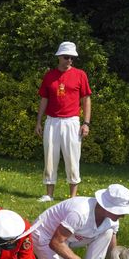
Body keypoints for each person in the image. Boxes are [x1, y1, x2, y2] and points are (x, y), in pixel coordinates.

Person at [31, 183, 129, 259]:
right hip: (45, 236)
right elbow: (56, 243)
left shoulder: (112, 220)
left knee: (107, 232)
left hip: (69, 238)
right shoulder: (80, 213)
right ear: (107, 207)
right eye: (120, 211)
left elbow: (112, 249)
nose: (123, 215)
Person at [34, 41, 92, 202]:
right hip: (52, 121)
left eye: (72, 58)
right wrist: (39, 121)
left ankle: (73, 197)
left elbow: (86, 99)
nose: (69, 60)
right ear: (59, 57)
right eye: (66, 57)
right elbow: (44, 99)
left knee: (72, 157)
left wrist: (86, 123)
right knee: (50, 157)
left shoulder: (80, 75)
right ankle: (49, 194)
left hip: (72, 122)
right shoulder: (49, 76)